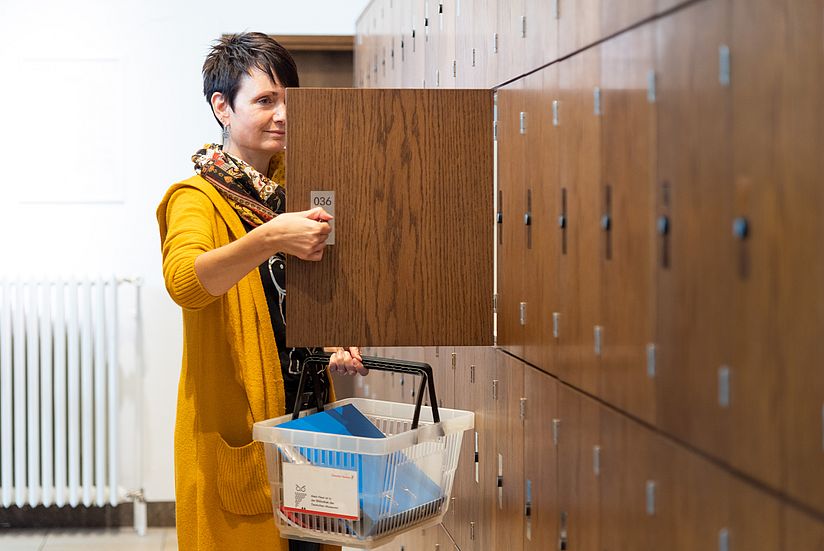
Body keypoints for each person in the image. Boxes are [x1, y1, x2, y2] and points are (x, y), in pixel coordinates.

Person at [156, 32, 367, 551]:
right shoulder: (195, 199)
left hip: (311, 417)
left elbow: (319, 289)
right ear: (222, 107)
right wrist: (269, 235)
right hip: (245, 432)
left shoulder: (303, 187)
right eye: (265, 100)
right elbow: (186, 282)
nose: (282, 115)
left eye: (289, 102)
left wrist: (336, 338)